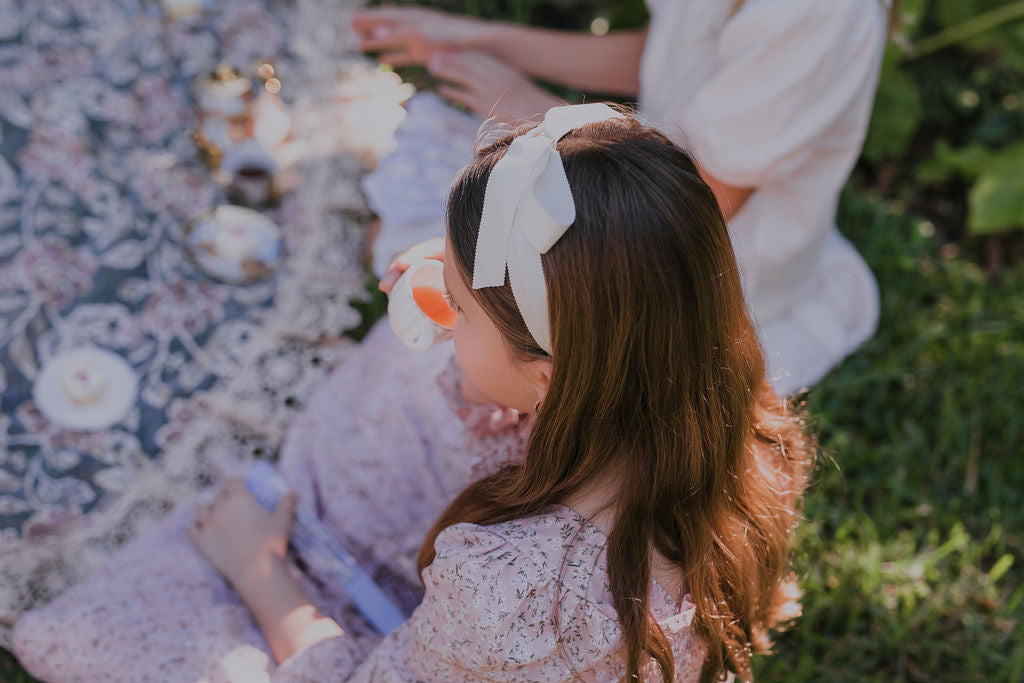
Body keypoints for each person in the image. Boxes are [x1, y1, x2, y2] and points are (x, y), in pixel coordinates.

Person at [13, 106, 812, 681]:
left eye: (458, 307)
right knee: (409, 371)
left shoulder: (502, 587)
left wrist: (260, 569)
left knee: (82, 638)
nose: (438, 307)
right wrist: (475, 276)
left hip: (431, 650)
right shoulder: (723, 408)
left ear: (551, 374)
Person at [355, 0, 895, 395]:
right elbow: (658, 54)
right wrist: (476, 38)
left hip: (678, 247)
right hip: (634, 172)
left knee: (456, 346)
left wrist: (538, 113)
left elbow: (694, 202)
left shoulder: (819, 14)